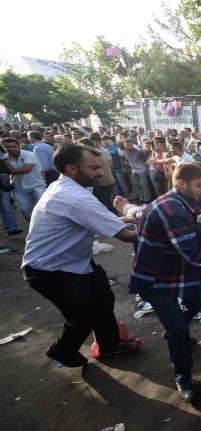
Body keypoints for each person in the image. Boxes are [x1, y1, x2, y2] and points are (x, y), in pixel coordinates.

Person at [21, 144, 140, 368]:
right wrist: (164, 234)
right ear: (72, 169)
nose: (101, 172)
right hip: (49, 271)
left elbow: (96, 219)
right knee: (82, 318)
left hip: (76, 263)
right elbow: (125, 236)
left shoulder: (74, 187)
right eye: (94, 167)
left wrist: (128, 217)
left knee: (103, 298)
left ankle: (109, 344)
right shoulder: (74, 196)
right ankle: (62, 351)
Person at [129, 163, 201, 402]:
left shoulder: (177, 202)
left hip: (174, 271)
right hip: (156, 278)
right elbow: (193, 254)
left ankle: (175, 334)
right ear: (181, 183)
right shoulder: (173, 209)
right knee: (178, 329)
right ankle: (183, 378)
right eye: (199, 185)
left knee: (196, 302)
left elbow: (195, 230)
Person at [2, 137, 47, 222]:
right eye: (7, 147)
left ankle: (49, 225)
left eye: (13, 146)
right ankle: (34, 226)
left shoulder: (29, 154)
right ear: (4, 147)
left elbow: (26, 169)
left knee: (45, 206)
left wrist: (9, 168)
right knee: (24, 210)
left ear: (18, 146)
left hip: (36, 185)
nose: (11, 149)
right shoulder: (4, 158)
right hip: (18, 188)